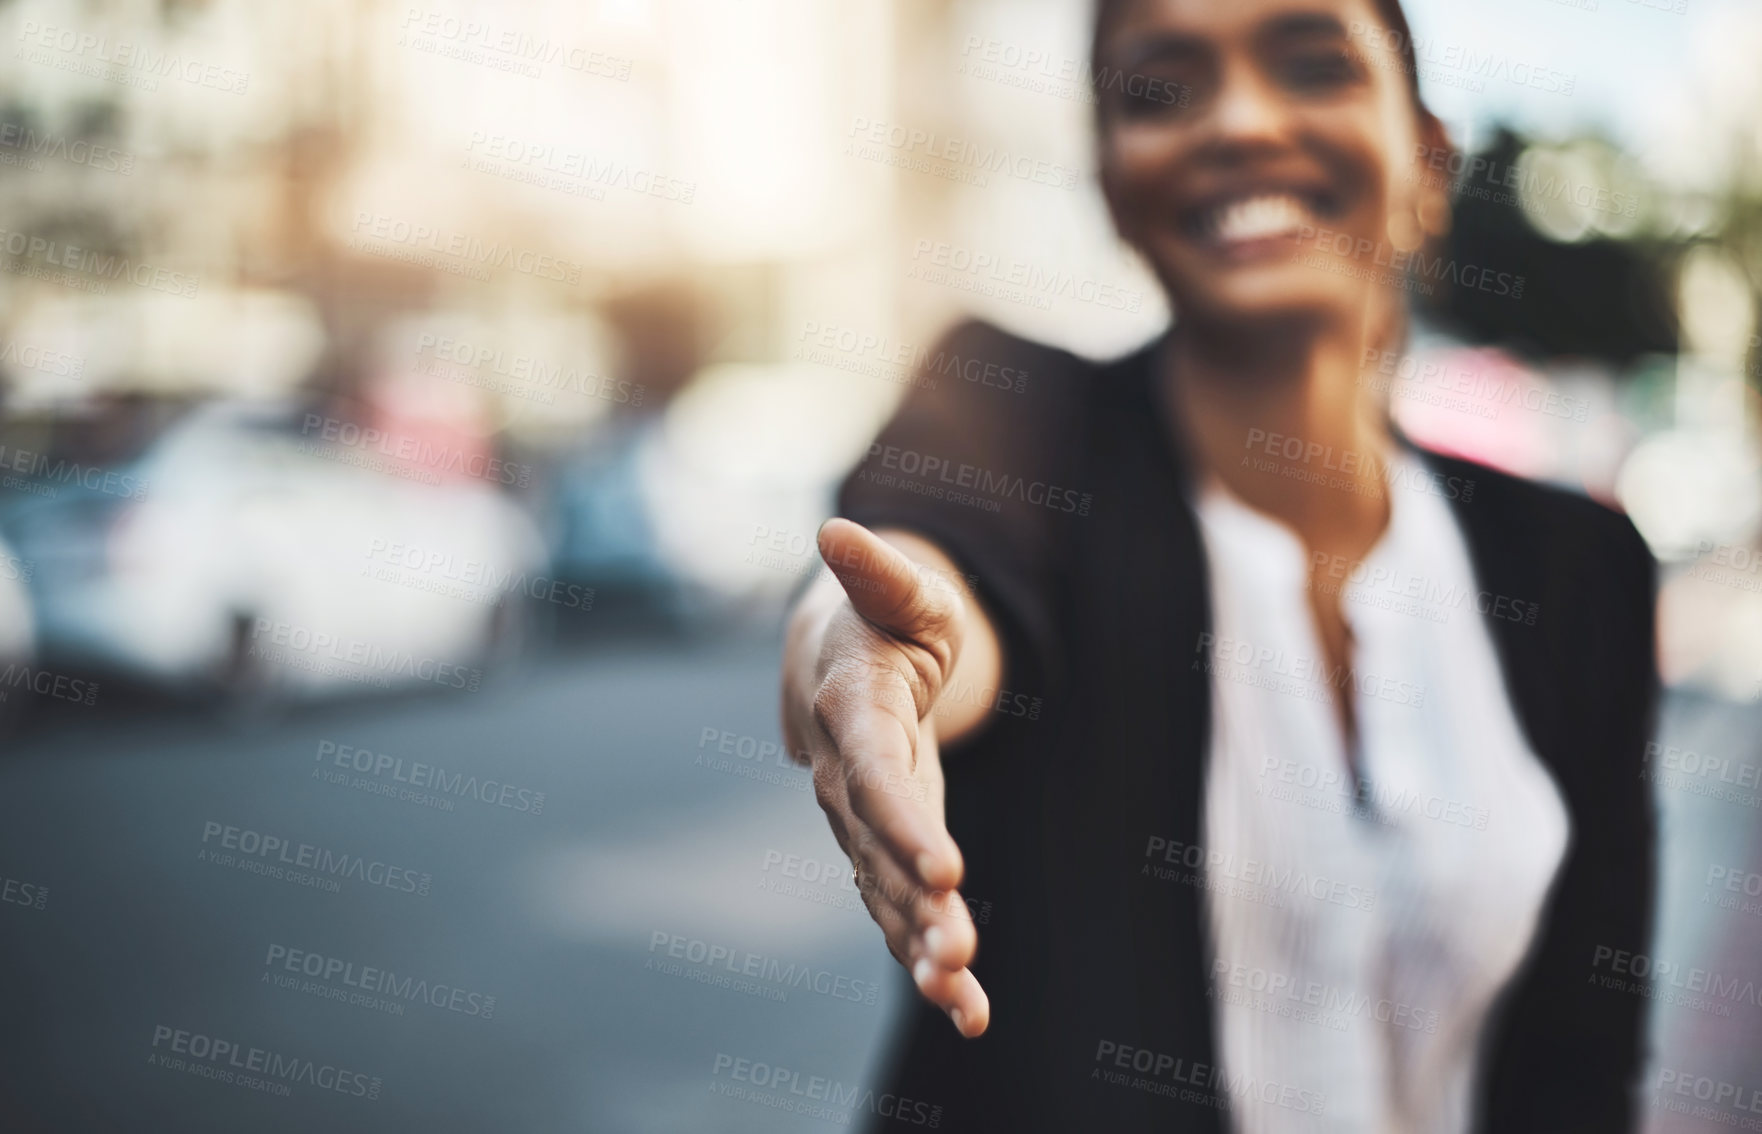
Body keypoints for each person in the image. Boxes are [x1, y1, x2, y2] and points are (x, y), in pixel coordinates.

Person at [778, 0, 1658, 1129]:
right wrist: (858, 660)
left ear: (1426, 158)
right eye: (1157, 90)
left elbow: (1584, 1069)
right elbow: (926, 581)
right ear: (1108, 182)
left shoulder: (1576, 571)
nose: (1238, 121)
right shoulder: (1016, 416)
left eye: (1310, 64)